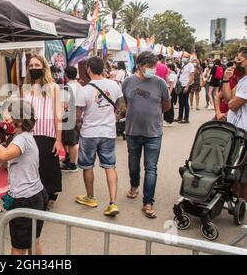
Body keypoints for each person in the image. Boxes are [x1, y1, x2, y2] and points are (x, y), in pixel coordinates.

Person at [0, 99, 47, 255]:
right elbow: (9, 156)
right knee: (33, 241)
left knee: (19, 246)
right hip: (35, 195)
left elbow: (6, 153)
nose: (5, 122)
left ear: (19, 121)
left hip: (26, 199)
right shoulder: (26, 136)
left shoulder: (21, 139)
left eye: (8, 119)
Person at [122, 52, 171, 219]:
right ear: (139, 66)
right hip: (132, 132)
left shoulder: (160, 83)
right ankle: (134, 186)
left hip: (153, 133)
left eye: (154, 66)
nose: (153, 70)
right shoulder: (128, 82)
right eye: (149, 67)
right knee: (133, 164)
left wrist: (154, 115)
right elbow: (126, 103)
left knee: (151, 168)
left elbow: (166, 105)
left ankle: (148, 202)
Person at [75, 57, 126, 216]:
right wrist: (114, 118)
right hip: (108, 132)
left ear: (88, 68)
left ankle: (90, 197)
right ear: (103, 68)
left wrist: (79, 126)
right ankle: (113, 203)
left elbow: (77, 115)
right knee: (110, 166)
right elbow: (123, 107)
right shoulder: (114, 85)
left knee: (87, 166)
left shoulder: (84, 90)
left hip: (89, 133)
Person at [23, 54, 63, 207]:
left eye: (37, 65)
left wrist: (58, 140)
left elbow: (58, 115)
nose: (34, 68)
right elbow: (24, 113)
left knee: (47, 167)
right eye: (31, 66)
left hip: (47, 134)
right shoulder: (25, 88)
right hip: (29, 135)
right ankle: (35, 197)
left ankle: (49, 196)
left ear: (44, 67)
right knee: (32, 167)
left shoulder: (53, 87)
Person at [222, 47, 247, 200]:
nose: (236, 63)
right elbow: (228, 97)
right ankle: (236, 199)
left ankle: (242, 202)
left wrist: (231, 101)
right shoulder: (243, 80)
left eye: (239, 60)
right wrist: (226, 78)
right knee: (233, 167)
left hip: (244, 130)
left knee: (241, 170)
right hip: (236, 129)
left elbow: (232, 105)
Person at [61, 66, 82, 173]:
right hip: (78, 116)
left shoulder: (67, 87)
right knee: (70, 139)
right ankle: (69, 159)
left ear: (66, 75)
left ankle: (72, 164)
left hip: (69, 115)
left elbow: (64, 105)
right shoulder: (79, 85)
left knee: (71, 142)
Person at [175, 58, 194, 123]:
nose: (184, 58)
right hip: (181, 85)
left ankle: (186, 118)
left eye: (185, 57)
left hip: (186, 85)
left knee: (185, 101)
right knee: (180, 102)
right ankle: (179, 117)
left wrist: (187, 86)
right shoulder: (183, 64)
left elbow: (192, 77)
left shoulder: (190, 65)